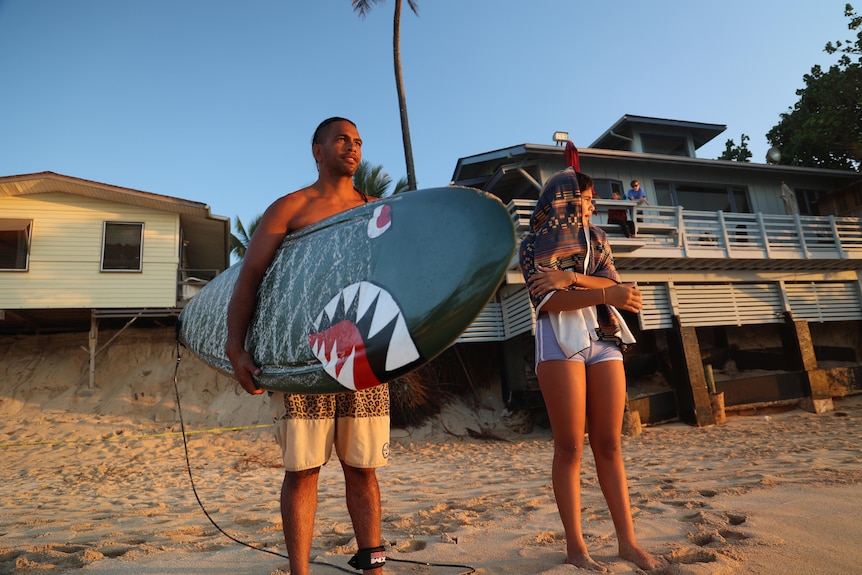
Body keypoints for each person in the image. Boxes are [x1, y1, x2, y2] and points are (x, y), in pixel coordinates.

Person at [225, 117, 389, 575]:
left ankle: (373, 565)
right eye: (341, 139)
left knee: (363, 466)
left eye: (357, 142)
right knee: (303, 468)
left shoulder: (379, 208)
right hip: (304, 353)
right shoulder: (291, 208)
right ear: (317, 150)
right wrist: (236, 348)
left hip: (362, 353)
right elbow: (250, 276)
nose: (352, 147)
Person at [519, 166, 664, 572]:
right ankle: (576, 548)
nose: (592, 205)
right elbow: (547, 302)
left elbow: (622, 294)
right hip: (558, 339)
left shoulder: (597, 239)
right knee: (569, 447)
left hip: (604, 337)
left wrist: (569, 277)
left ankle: (627, 543)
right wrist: (598, 289)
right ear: (563, 200)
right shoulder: (530, 245)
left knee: (610, 443)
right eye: (585, 198)